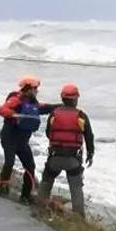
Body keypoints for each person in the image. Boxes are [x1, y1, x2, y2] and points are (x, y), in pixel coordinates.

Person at [0, 75, 58, 203]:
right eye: (35, 88)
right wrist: (15, 114)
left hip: (22, 141)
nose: (37, 90)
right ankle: (3, 187)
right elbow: (2, 110)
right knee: (9, 162)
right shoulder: (15, 99)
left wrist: (63, 106)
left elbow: (46, 107)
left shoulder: (33, 103)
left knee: (30, 166)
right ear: (28, 88)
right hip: (9, 137)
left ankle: (25, 196)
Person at [36, 84, 94, 217]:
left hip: (55, 157)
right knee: (76, 187)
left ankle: (40, 208)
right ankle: (79, 218)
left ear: (62, 98)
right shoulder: (81, 116)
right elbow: (89, 136)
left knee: (47, 180)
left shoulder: (54, 114)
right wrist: (90, 154)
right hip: (73, 159)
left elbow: (48, 133)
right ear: (75, 99)